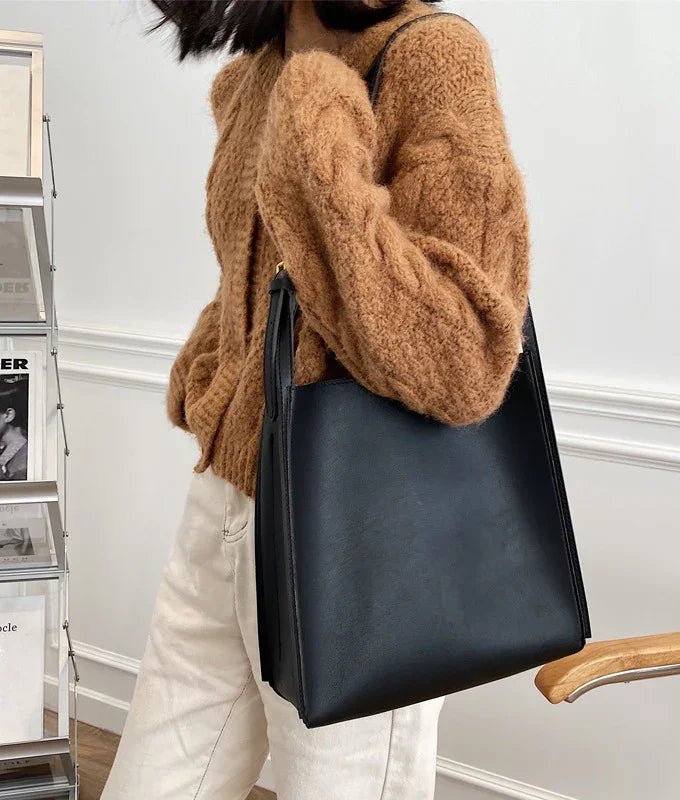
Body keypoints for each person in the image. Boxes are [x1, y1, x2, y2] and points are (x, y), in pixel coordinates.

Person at [101, 1, 531, 798]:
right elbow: (263, 279)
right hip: (226, 505)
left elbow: (463, 360)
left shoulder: (435, 56)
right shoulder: (265, 61)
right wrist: (215, 374)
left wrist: (318, 119)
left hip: (357, 532)